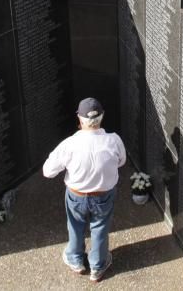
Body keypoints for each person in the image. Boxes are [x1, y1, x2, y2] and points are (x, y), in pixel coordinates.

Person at [43, 98, 126, 282]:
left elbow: (47, 171)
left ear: (80, 119)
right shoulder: (114, 140)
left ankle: (75, 260)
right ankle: (98, 265)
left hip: (76, 196)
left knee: (75, 226)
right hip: (104, 195)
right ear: (101, 117)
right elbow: (121, 161)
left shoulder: (69, 144)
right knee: (100, 228)